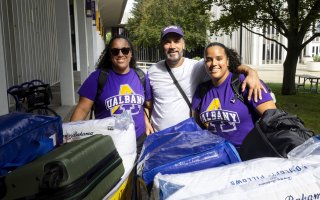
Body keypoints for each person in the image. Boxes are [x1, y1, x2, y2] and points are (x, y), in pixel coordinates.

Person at [144, 25, 266, 133]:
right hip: (160, 136)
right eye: (167, 42)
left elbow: (222, 65)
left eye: (176, 41)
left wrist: (250, 72)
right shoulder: (153, 71)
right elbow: (148, 105)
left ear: (183, 44)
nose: (172, 46)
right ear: (162, 45)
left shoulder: (197, 66)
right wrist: (146, 122)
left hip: (188, 137)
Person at [70, 35, 147, 152]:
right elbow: (82, 109)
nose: (120, 54)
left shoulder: (141, 76)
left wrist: (147, 121)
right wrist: (69, 136)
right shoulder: (97, 77)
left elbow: (147, 105)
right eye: (115, 51)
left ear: (131, 54)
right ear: (110, 55)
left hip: (139, 142)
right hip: (109, 143)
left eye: (125, 50)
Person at [191, 42, 276, 148]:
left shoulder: (245, 82)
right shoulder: (202, 90)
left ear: (227, 61)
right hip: (216, 156)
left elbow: (273, 118)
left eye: (219, 58)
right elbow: (196, 126)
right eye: (208, 60)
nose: (213, 63)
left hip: (247, 156)